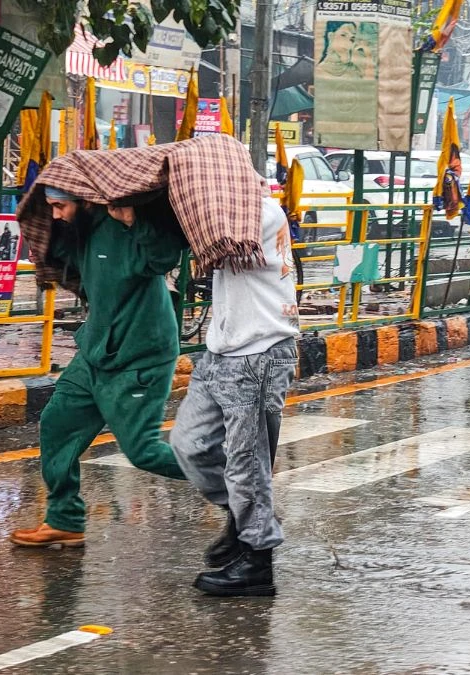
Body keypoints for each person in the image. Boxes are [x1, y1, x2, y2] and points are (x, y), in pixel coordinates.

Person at [10, 188, 189, 548]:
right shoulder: (82, 231)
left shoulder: (123, 227)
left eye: (60, 206)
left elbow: (165, 255)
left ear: (84, 201)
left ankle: (236, 475)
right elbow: (64, 258)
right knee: (57, 424)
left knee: (143, 452)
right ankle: (64, 519)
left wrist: (133, 219)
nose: (57, 215)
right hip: (94, 350)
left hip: (139, 356)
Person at [169, 197, 300, 597]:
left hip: (258, 351)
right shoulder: (228, 208)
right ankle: (243, 519)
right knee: (188, 444)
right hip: (223, 349)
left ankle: (257, 561)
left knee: (247, 463)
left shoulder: (257, 211)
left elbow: (204, 241)